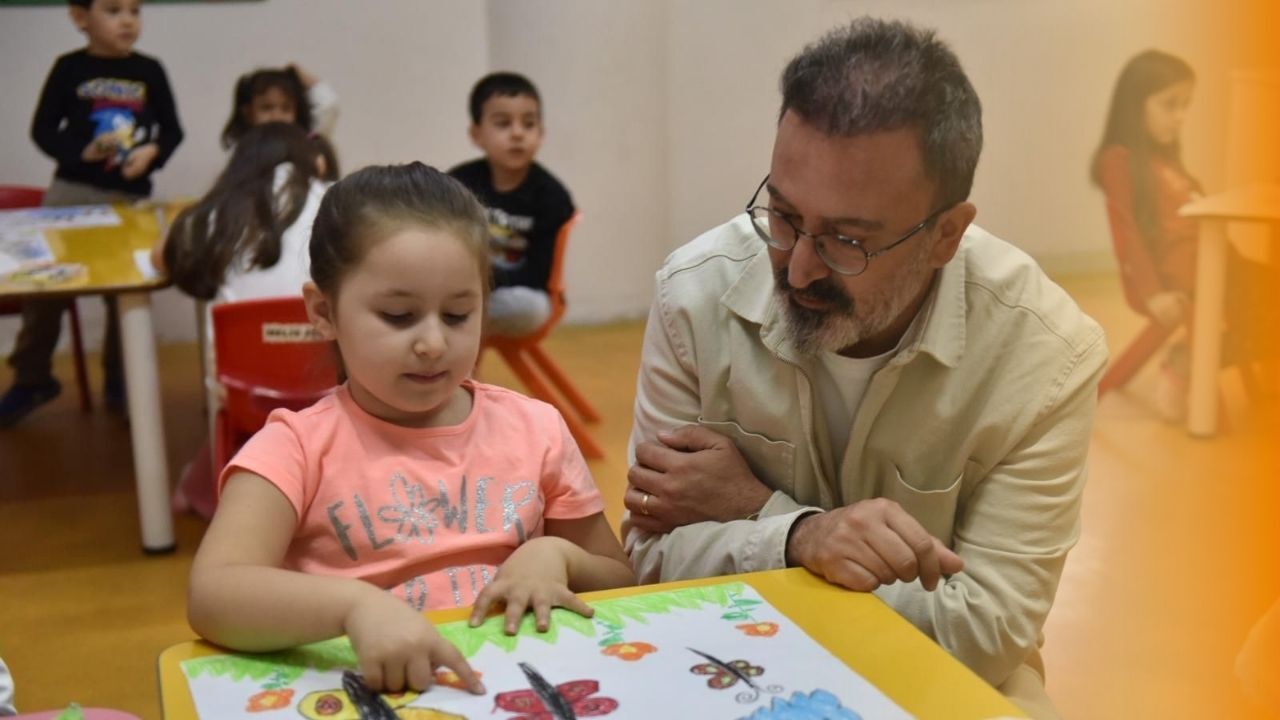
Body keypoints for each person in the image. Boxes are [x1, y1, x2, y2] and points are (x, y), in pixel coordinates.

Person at [621, 18, 1106, 719]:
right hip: (726, 660)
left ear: (946, 234)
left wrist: (764, 516)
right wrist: (803, 539)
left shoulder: (1045, 357)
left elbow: (986, 632)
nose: (798, 267)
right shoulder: (694, 297)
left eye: (847, 239)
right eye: (783, 216)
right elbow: (648, 558)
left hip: (932, 683)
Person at [187, 163, 635, 694]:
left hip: (524, 691)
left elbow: (622, 580)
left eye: (458, 315)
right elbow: (213, 595)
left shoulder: (536, 429)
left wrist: (557, 556)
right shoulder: (293, 449)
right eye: (399, 316)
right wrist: (355, 607)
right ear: (323, 311)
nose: (433, 344)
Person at [0, 0, 183, 428]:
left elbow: (172, 131)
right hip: (71, 195)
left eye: (135, 10)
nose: (128, 20)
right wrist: (80, 152)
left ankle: (120, 378)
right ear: (80, 18)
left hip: (129, 198)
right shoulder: (68, 68)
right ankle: (32, 378)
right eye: (113, 10)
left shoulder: (150, 70)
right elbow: (43, 129)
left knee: (127, 290)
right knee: (44, 283)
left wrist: (152, 154)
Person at [153, 121, 336, 519]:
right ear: (313, 161)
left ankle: (202, 489)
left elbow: (161, 257)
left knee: (237, 404)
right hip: (335, 383)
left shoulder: (219, 212)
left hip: (243, 392)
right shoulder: (338, 202)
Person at [1092, 49, 1274, 420]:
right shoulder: (1119, 161)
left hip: (1219, 265)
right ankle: (1187, 362)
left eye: (1185, 106)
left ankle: (1190, 358)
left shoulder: (1166, 160)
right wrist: (1152, 293)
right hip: (1184, 280)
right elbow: (1128, 232)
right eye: (1169, 105)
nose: (1180, 117)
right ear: (1135, 104)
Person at [448, 72, 575, 337]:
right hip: (461, 286)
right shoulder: (457, 184)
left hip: (514, 293)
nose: (517, 134)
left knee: (531, 308)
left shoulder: (552, 197)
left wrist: (483, 282)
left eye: (528, 124)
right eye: (503, 124)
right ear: (476, 134)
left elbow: (539, 273)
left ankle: (456, 322)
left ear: (541, 133)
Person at [221, 64, 339, 158]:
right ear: (248, 113)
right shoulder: (241, 150)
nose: (276, 116)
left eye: (286, 108)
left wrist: (298, 73)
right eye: (267, 108)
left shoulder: (305, 144)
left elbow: (328, 106)